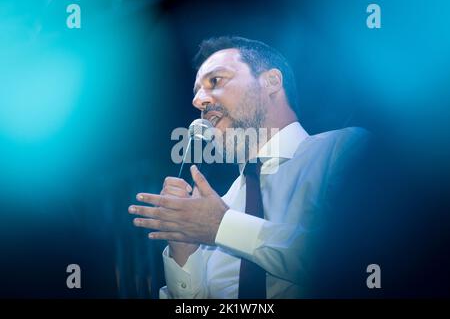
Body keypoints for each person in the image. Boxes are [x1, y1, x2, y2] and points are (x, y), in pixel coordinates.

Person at [129, 36, 372, 298]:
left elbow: (354, 260)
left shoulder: (344, 149)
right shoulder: (219, 204)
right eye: (197, 92)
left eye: (215, 81)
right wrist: (185, 252)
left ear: (272, 82)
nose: (198, 101)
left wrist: (223, 226)